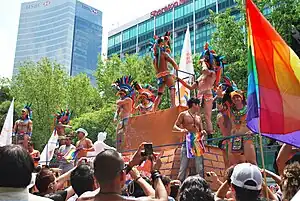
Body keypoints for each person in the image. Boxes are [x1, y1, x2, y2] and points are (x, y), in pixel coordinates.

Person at [177, 43, 224, 142]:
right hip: (198, 96)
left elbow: (204, 70)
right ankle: (197, 137)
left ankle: (210, 140)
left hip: (207, 95)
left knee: (207, 117)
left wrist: (202, 62)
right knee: (196, 116)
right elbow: (190, 87)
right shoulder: (200, 77)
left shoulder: (212, 73)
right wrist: (180, 80)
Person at [93, 143, 168, 201]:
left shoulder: (83, 198)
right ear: (122, 176)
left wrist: (131, 164)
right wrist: (154, 172)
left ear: (95, 178)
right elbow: (160, 199)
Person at [215, 86, 257, 167]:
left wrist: (253, 131)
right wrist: (219, 96)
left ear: (242, 98)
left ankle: (258, 178)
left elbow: (256, 121)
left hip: (246, 137)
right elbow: (219, 107)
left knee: (252, 162)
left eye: (238, 97)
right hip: (234, 138)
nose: (236, 99)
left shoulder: (249, 108)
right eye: (234, 98)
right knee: (233, 165)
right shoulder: (230, 110)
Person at [173, 97, 206, 182]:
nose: (199, 106)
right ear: (194, 105)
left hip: (197, 141)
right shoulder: (183, 114)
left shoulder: (198, 117)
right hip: (187, 140)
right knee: (183, 165)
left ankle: (201, 183)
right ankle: (179, 185)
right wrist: (181, 130)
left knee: (199, 165)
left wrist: (203, 132)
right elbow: (175, 126)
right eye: (198, 104)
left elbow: (201, 129)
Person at [150, 32, 179, 111]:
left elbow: (157, 69)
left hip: (160, 77)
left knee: (159, 94)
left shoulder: (154, 60)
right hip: (166, 75)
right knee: (172, 88)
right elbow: (174, 64)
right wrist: (177, 68)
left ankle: (153, 109)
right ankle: (173, 105)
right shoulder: (164, 54)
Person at [112, 76, 135, 149]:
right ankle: (119, 148)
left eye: (121, 94)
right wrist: (115, 117)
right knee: (118, 133)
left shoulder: (128, 100)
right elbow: (117, 110)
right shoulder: (122, 101)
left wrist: (118, 101)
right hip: (122, 119)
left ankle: (128, 147)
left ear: (125, 94)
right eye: (120, 94)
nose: (120, 95)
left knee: (127, 133)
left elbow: (118, 103)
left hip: (128, 118)